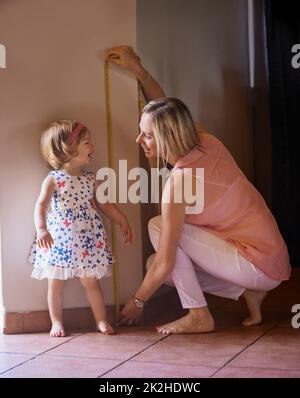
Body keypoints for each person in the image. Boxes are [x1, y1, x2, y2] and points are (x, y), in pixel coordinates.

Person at [106, 46, 291, 335]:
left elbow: (168, 263)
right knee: (151, 263)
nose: (139, 138)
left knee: (158, 231)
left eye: (147, 134)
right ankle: (248, 291)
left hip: (256, 260)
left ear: (168, 138)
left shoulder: (178, 183)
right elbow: (168, 109)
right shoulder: (207, 142)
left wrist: (137, 301)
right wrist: (138, 70)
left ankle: (198, 315)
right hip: (270, 259)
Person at [29, 120, 132, 337]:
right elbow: (40, 205)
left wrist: (121, 220)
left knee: (91, 282)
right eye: (87, 142)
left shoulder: (90, 179)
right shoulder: (53, 180)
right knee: (55, 283)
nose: (93, 147)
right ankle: (56, 321)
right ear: (69, 148)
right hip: (59, 239)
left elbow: (104, 203)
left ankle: (101, 320)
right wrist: (41, 229)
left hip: (87, 238)